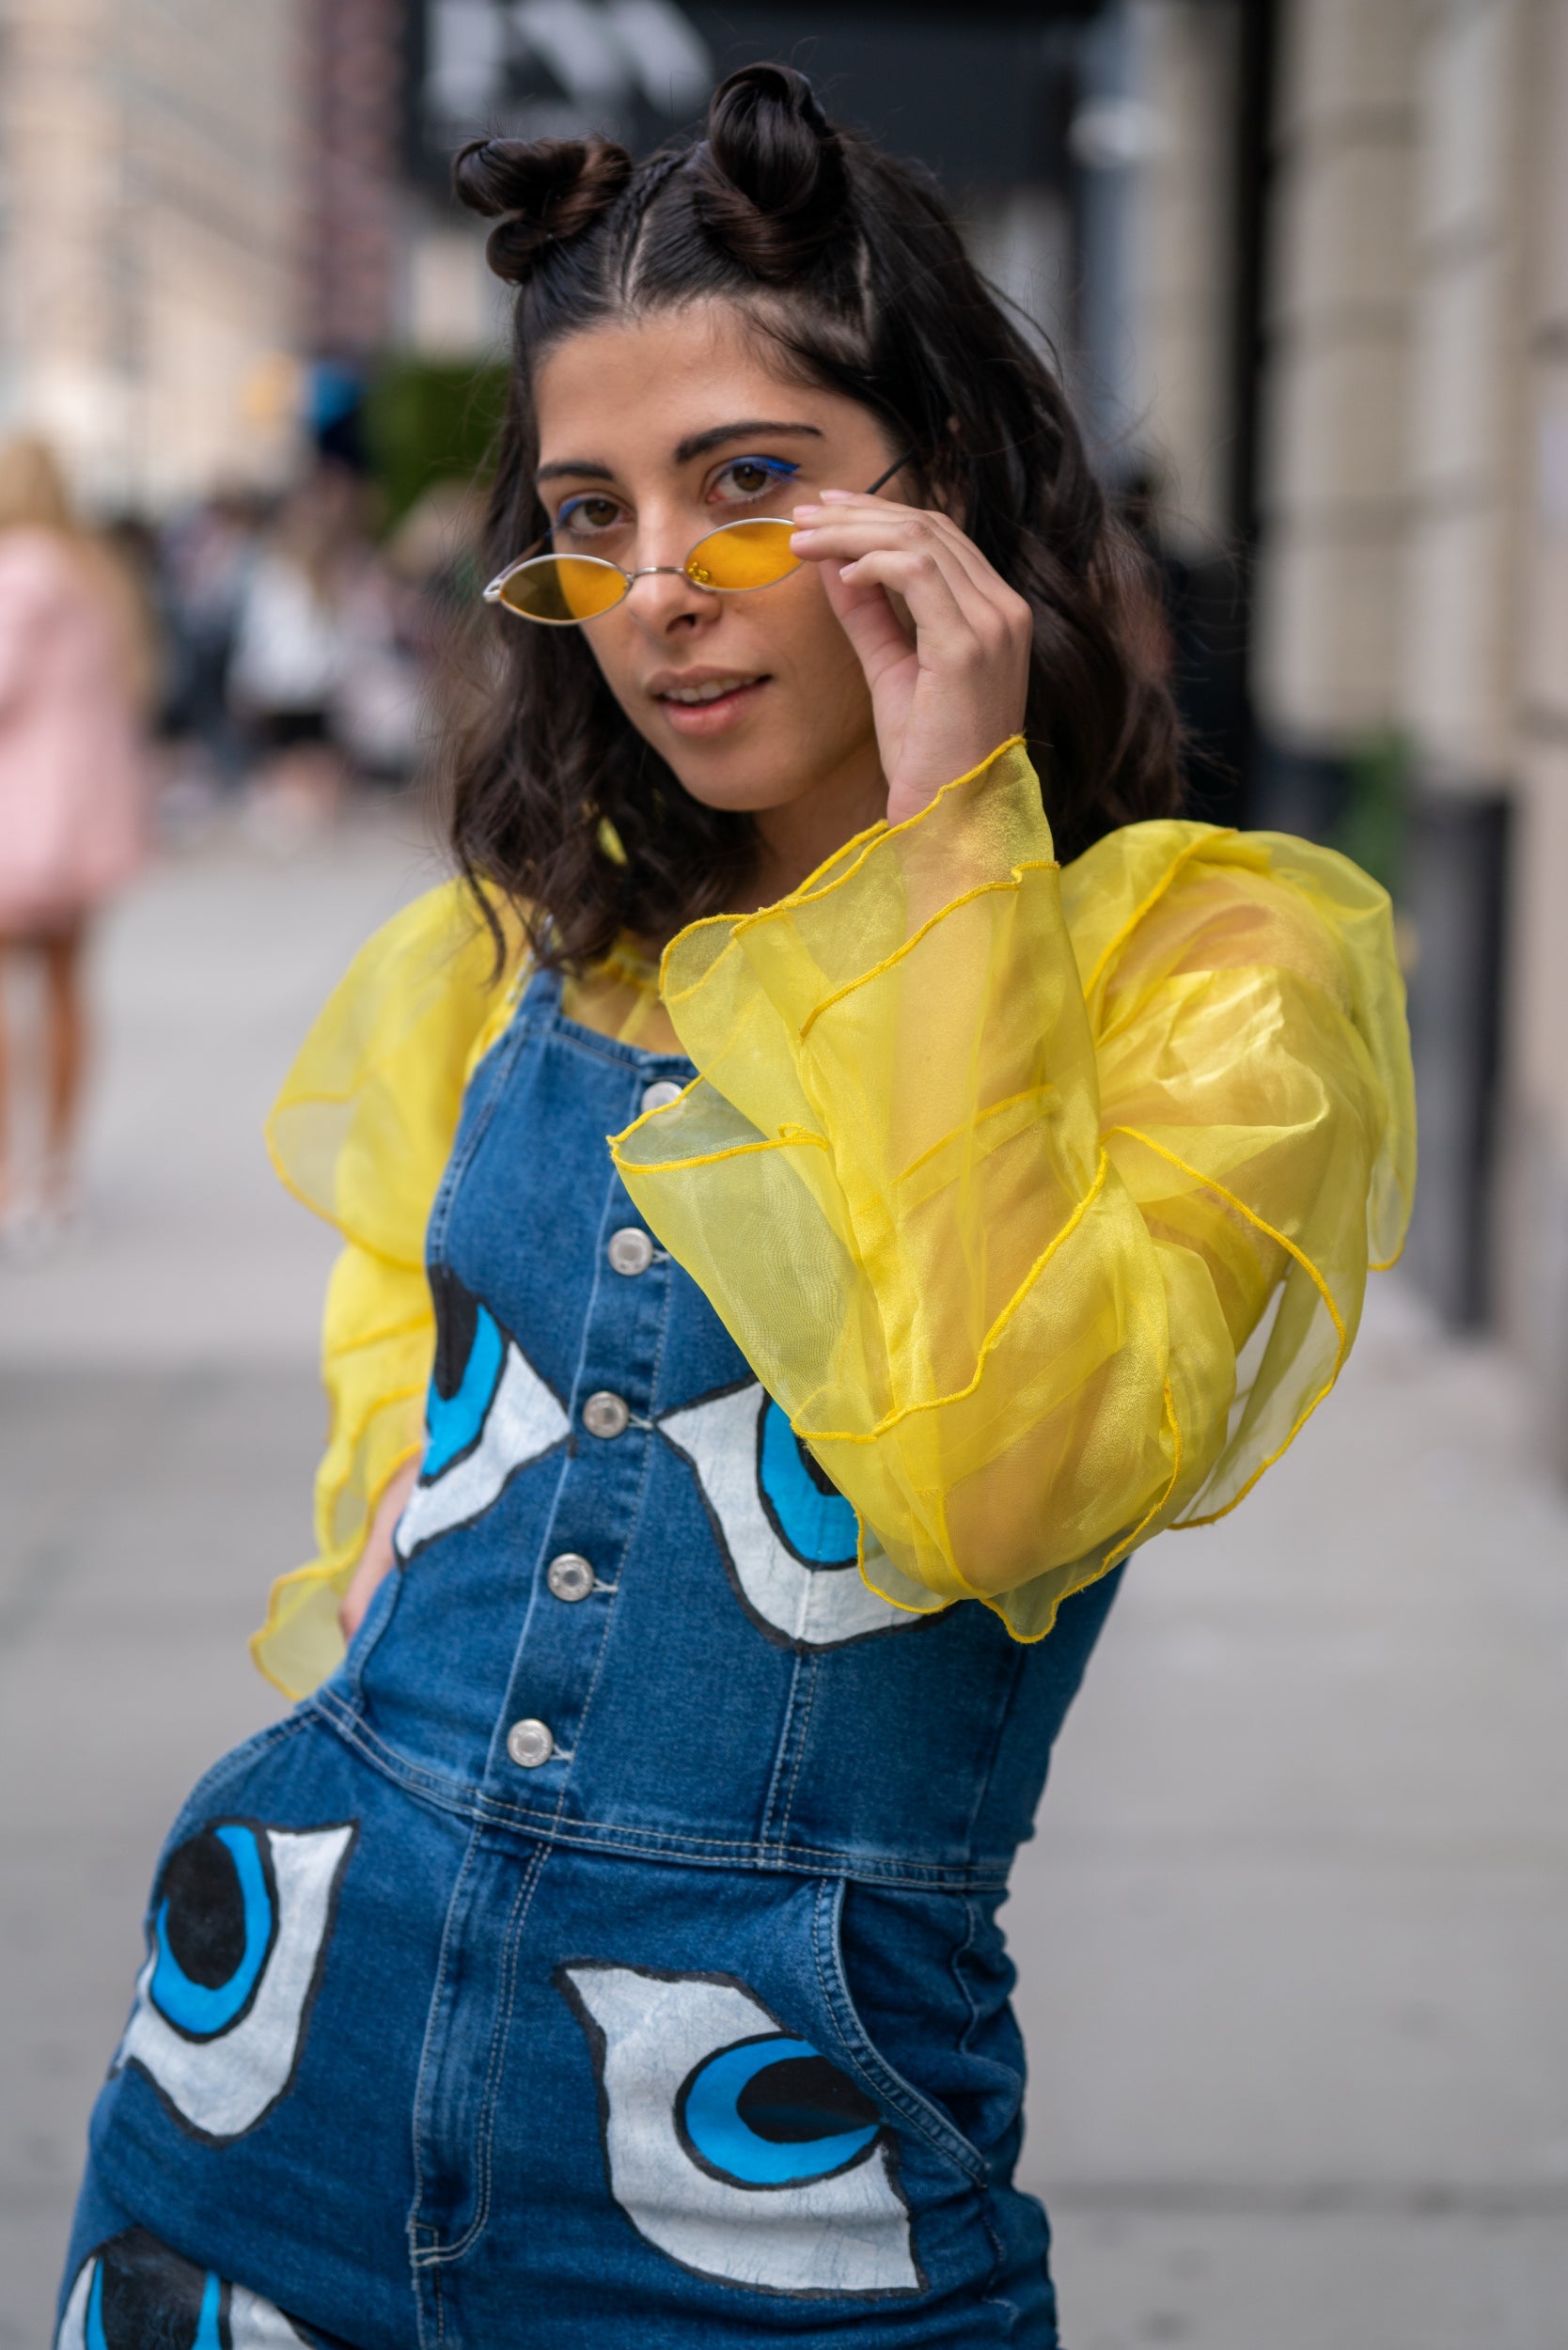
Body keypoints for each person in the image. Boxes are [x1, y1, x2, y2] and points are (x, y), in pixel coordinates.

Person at [55, 67, 1415, 2349]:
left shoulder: (1201, 971)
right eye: (588, 516)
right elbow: (407, 1490)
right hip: (270, 2071)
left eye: (751, 485)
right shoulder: (517, 948)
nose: (661, 593)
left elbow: (1012, 1474)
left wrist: (957, 833)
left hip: (781, 2177)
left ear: (949, 489)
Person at [0, 436, 148, 1237]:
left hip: (21, 816)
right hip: (86, 810)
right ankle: (55, 1168)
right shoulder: (96, 574)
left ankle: (9, 1172)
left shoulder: (19, 569)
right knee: (65, 991)